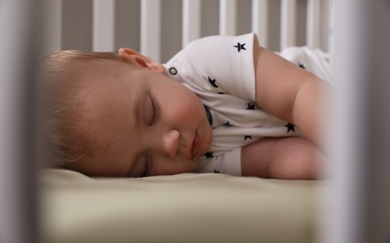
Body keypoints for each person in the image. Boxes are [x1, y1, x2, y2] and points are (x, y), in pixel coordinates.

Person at [43, 33, 333, 179]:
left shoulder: (202, 64)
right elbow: (276, 160)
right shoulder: (203, 164)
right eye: (145, 165)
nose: (169, 145)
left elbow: (299, 94)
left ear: (144, 64)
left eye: (150, 113)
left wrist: (356, 150)